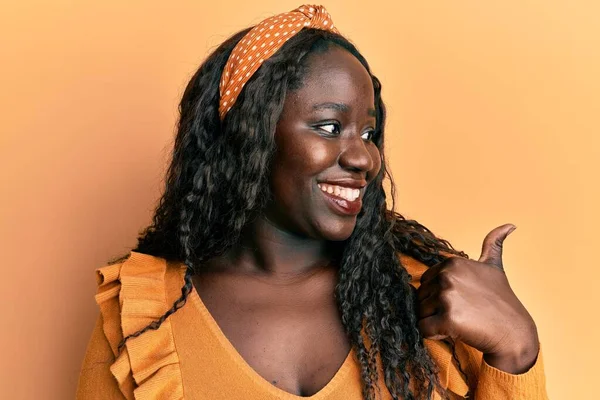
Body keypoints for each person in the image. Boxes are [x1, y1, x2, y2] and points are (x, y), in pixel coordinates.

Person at [76, 4, 548, 400]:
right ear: (249, 137)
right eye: (328, 126)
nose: (364, 156)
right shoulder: (144, 317)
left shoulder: (431, 297)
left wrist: (516, 348)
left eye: (368, 132)